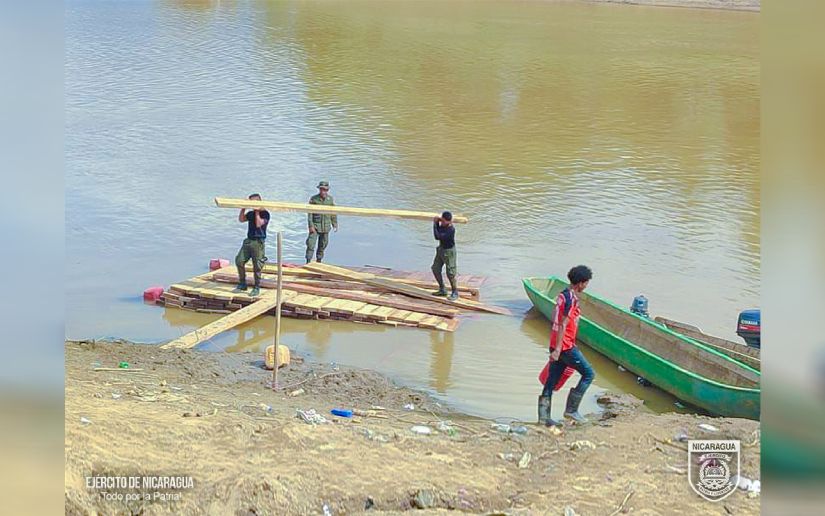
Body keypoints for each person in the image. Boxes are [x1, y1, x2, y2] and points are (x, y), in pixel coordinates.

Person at [538, 265, 596, 426]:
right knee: (589, 374)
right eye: (586, 283)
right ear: (581, 283)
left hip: (558, 344)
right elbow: (563, 324)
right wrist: (558, 350)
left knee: (551, 381)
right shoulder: (570, 300)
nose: (586, 286)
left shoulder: (564, 295)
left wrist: (556, 348)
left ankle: (544, 418)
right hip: (565, 347)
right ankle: (571, 410)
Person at [234, 193, 271, 297]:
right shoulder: (250, 213)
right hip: (248, 241)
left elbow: (259, 224)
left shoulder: (265, 214)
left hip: (258, 242)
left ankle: (256, 287)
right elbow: (241, 219)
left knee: (257, 266)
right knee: (239, 261)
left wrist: (257, 211)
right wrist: (243, 208)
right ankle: (242, 283)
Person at [305, 180, 338, 263]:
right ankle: (308, 261)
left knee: (323, 244)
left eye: (325, 189)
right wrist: (310, 226)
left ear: (327, 190)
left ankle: (319, 261)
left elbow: (333, 213)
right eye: (321, 189)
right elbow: (310, 213)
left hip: (325, 227)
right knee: (310, 244)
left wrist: (335, 224)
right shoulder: (314, 199)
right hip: (315, 226)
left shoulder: (330, 199)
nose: (323, 191)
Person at [431, 211, 459, 301]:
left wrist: (435, 224)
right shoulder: (443, 225)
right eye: (441, 221)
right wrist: (438, 223)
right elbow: (439, 232)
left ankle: (455, 292)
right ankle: (442, 289)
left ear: (449, 221)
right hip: (441, 249)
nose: (442, 223)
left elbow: (437, 236)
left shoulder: (451, 230)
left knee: (450, 273)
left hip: (449, 252)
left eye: (444, 222)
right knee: (435, 269)